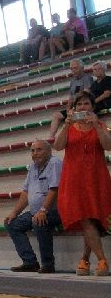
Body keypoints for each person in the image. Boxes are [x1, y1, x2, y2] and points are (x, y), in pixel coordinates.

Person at [53, 91, 111, 277]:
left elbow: (108, 146)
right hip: (74, 178)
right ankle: (102, 260)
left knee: (92, 218)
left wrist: (96, 125)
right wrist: (66, 124)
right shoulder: (69, 127)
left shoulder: (100, 125)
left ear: (92, 107)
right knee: (85, 217)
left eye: (86, 104)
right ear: (74, 108)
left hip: (96, 177)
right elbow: (58, 146)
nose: (82, 107)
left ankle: (85, 259)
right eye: (79, 105)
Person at [4, 140, 63, 273]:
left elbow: (54, 189)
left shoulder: (55, 163)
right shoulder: (33, 167)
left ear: (49, 151)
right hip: (36, 211)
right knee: (12, 223)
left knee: (39, 221)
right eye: (32, 150)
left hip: (56, 211)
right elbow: (25, 192)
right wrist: (14, 212)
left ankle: (48, 264)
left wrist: (43, 210)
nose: (35, 153)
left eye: (39, 149)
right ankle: (30, 262)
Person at [47, 59, 93, 140]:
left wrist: (75, 108)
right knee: (56, 115)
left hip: (82, 106)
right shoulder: (72, 81)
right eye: (71, 69)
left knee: (73, 118)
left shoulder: (87, 78)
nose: (73, 71)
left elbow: (86, 95)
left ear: (82, 68)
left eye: (75, 68)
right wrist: (68, 109)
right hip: (74, 107)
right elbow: (71, 98)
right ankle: (51, 137)